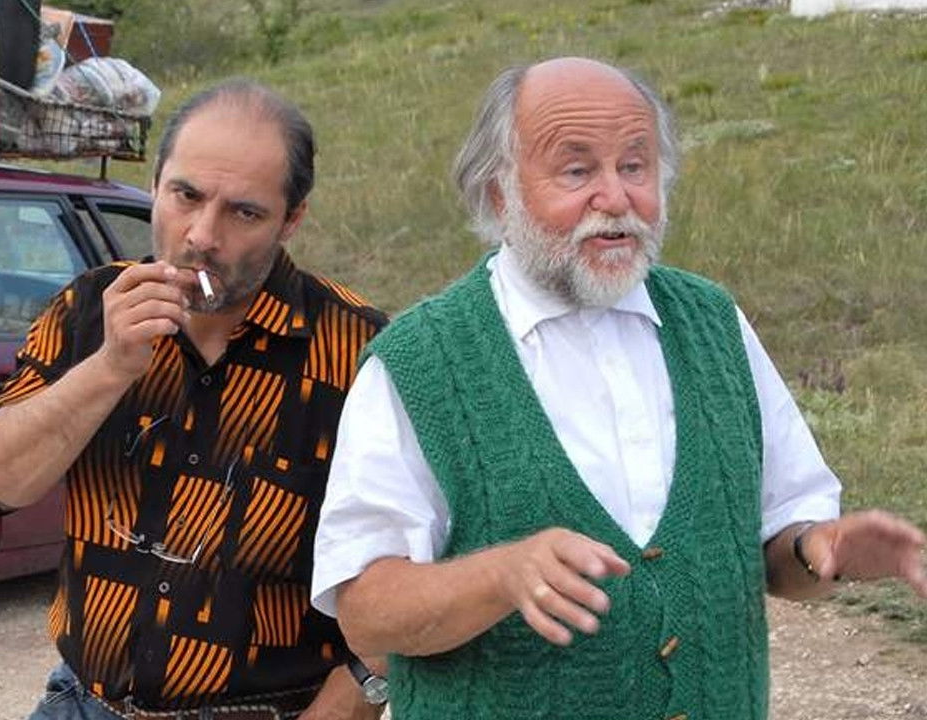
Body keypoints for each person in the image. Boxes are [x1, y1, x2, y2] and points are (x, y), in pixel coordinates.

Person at [309, 57, 927, 720]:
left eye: (635, 166)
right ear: (499, 194)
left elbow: (779, 544)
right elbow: (366, 612)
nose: (615, 198)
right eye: (577, 171)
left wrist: (820, 551)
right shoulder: (421, 361)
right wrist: (500, 575)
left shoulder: (714, 324)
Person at [0, 79, 388, 720]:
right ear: (154, 184)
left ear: (291, 220)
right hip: (83, 701)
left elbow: (407, 569)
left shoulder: (358, 350)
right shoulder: (88, 309)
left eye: (244, 213)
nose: (202, 235)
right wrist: (107, 369)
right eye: (186, 196)